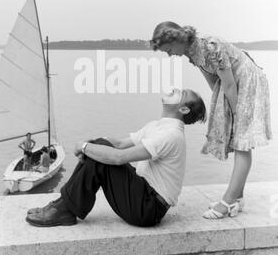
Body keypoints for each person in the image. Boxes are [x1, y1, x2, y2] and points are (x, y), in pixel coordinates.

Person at [25, 87, 206, 228]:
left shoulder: (171, 135)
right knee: (100, 145)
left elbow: (119, 157)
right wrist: (92, 143)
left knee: (101, 157)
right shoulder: (157, 126)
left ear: (183, 108)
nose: (175, 90)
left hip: (148, 209)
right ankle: (64, 204)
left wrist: (85, 147)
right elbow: (118, 144)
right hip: (144, 196)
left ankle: (64, 208)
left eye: (182, 93)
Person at [150, 22, 272, 219]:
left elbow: (230, 84)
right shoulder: (193, 54)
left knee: (242, 143)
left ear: (177, 40)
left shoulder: (210, 47)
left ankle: (229, 200)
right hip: (232, 86)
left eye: (169, 49)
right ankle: (238, 198)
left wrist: (236, 113)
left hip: (247, 83)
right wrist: (221, 110)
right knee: (234, 138)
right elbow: (215, 83)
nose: (170, 54)